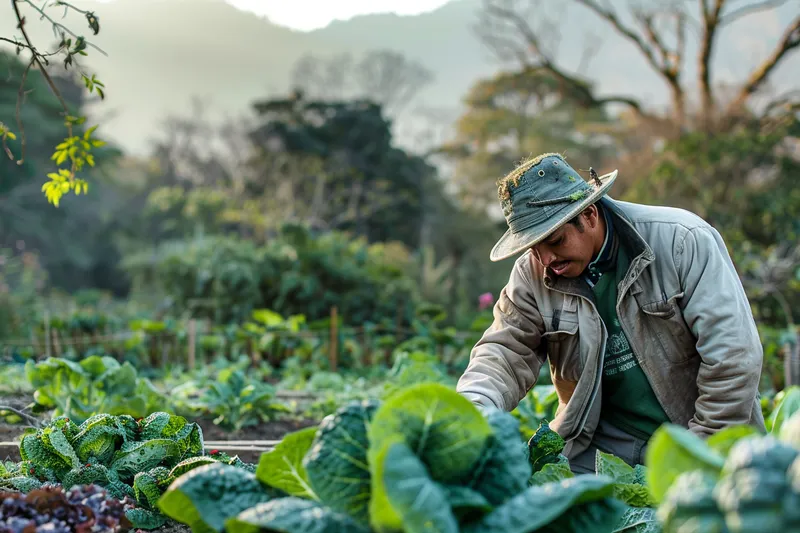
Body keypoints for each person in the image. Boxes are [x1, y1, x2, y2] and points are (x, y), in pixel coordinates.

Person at [456, 152, 765, 474]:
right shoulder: (531, 276)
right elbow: (504, 352)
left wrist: (699, 450)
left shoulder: (681, 240)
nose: (546, 259)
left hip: (699, 433)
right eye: (533, 247)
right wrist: (470, 409)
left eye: (555, 240)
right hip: (599, 447)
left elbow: (733, 357)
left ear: (588, 214)